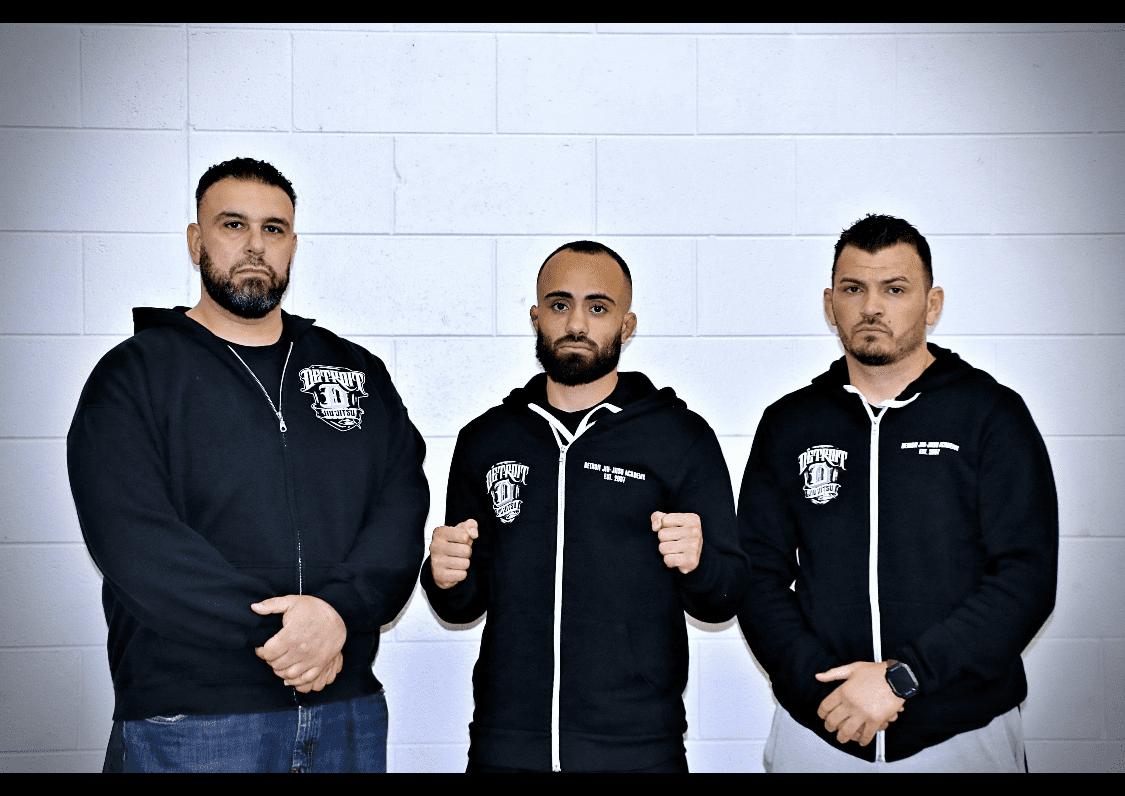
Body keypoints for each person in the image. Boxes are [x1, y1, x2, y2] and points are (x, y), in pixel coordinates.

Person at [67, 157, 428, 773]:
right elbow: (134, 542)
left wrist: (339, 613)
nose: (256, 246)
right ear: (195, 240)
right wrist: (284, 637)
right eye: (233, 225)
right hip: (194, 719)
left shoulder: (357, 372)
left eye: (274, 229)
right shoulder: (134, 376)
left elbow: (400, 509)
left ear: (293, 246)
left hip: (347, 711)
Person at [737, 214, 1058, 772]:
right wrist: (827, 694)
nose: (871, 307)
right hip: (820, 730)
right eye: (853, 289)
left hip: (961, 732)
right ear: (829, 303)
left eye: (895, 289)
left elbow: (1026, 578)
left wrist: (902, 680)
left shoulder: (991, 416)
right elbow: (756, 575)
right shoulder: (788, 424)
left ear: (932, 305)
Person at [420, 241, 749, 772]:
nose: (576, 323)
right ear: (535, 317)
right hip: (507, 744)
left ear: (627, 323)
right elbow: (462, 604)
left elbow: (725, 596)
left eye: (598, 308)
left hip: (639, 747)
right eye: (558, 304)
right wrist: (443, 575)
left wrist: (699, 561)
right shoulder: (487, 439)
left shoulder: (680, 438)